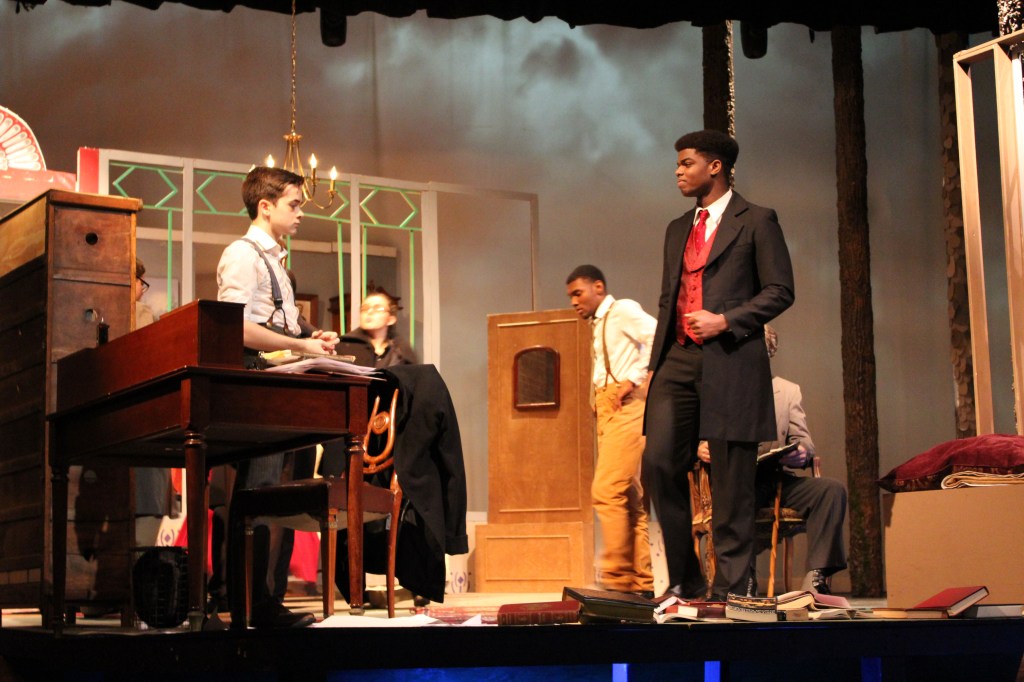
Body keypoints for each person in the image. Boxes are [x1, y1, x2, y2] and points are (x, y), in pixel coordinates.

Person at [643, 129, 795, 601]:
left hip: (731, 359)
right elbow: (669, 298)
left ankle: (731, 587)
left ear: (715, 167)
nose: (677, 171)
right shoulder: (677, 228)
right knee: (659, 464)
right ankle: (687, 578)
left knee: (731, 479)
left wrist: (727, 320)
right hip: (678, 359)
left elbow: (780, 290)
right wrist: (653, 365)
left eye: (686, 163)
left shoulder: (757, 220)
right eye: (677, 164)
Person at [217, 166, 340, 629]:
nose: (301, 212)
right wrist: (302, 346)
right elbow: (234, 327)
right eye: (294, 203)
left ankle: (268, 599)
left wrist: (312, 336)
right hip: (260, 389)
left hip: (286, 387)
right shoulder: (242, 254)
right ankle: (250, 602)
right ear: (265, 206)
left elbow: (281, 324)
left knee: (282, 496)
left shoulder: (278, 262)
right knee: (261, 491)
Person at [566, 264, 655, 596]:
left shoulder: (622, 310)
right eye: (571, 296)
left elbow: (656, 336)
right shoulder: (599, 323)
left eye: (578, 293)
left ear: (598, 287)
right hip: (608, 408)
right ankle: (641, 581)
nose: (574, 302)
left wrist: (634, 378)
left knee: (606, 490)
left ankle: (616, 578)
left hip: (627, 405)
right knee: (629, 498)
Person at [132, 258, 174, 545]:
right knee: (148, 508)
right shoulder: (140, 314)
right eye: (141, 283)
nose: (142, 290)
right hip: (144, 425)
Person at [341, 286, 418, 369]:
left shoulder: (402, 351)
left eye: (378, 308)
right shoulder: (344, 345)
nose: (369, 312)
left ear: (391, 319)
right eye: (365, 308)